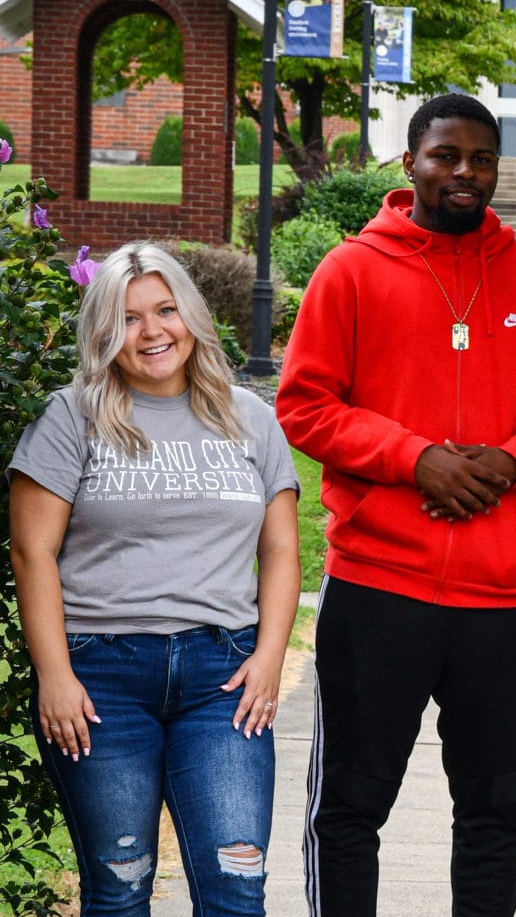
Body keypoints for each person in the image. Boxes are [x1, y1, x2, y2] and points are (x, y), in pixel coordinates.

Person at [275, 93, 516, 917]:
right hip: (378, 586)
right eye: (446, 155)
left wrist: (511, 461)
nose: (465, 172)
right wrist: (413, 459)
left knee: (495, 815)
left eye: (482, 159)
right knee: (350, 808)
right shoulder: (351, 271)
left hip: (505, 597)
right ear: (410, 162)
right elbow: (304, 406)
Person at [8, 242, 301, 915]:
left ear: (191, 316)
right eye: (128, 318)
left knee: (236, 889)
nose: (151, 332)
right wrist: (55, 676)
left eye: (165, 310)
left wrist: (268, 658)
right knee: (120, 887)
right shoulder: (70, 418)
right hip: (100, 681)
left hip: (222, 679)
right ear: (103, 332)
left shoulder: (250, 418)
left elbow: (282, 548)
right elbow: (32, 552)